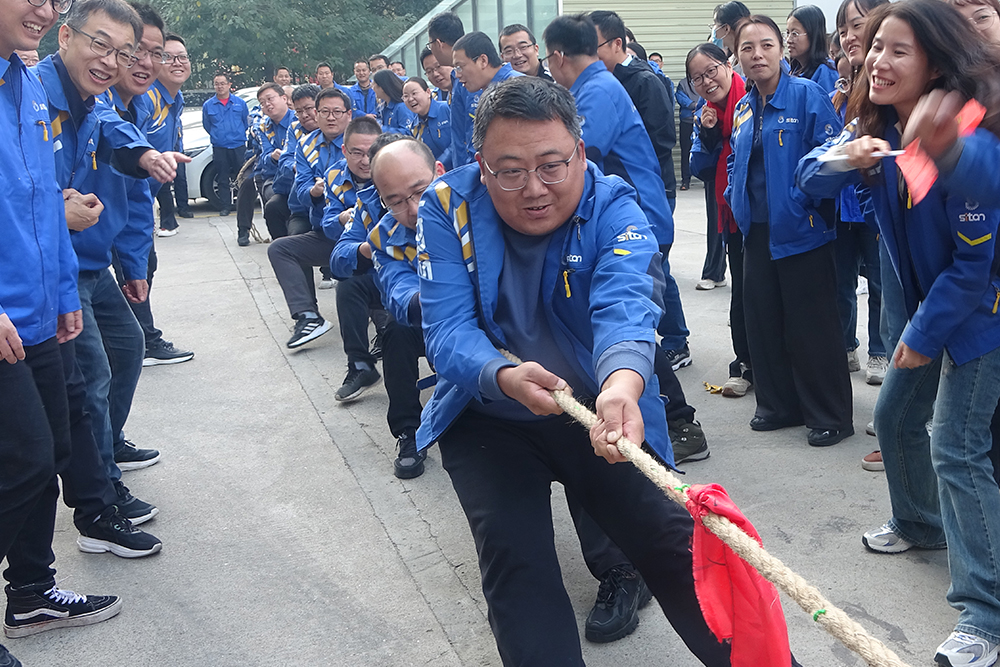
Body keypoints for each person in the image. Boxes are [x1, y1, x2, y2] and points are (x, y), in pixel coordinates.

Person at [414, 75, 748, 666]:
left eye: (551, 165)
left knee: (676, 549)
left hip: (600, 410)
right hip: (489, 412)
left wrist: (623, 381)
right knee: (516, 565)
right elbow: (446, 329)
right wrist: (500, 374)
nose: (534, 188)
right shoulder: (446, 206)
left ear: (580, 153)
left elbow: (626, 303)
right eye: (509, 170)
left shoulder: (613, 204)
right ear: (480, 166)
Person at [0, 0, 126, 655]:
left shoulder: (18, 81)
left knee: (48, 450)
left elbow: (36, 198)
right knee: (20, 461)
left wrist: (58, 293)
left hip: (37, 308)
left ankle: (30, 593)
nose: (43, 9)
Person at [724, 14, 852, 447]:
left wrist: (804, 203)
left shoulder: (807, 95)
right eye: (747, 48)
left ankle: (829, 414)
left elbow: (834, 155)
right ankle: (779, 406)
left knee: (811, 326)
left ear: (782, 50)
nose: (756, 55)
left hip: (802, 230)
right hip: (756, 232)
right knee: (763, 321)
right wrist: (731, 193)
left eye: (766, 45)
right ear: (737, 56)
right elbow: (734, 161)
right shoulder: (744, 105)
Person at [544, 14, 692, 372]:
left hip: (636, 212)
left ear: (559, 56)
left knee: (634, 302)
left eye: (548, 59)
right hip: (633, 208)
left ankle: (663, 368)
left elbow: (579, 153)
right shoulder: (592, 88)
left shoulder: (598, 91)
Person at [363, 136, 441, 477]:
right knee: (395, 329)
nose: (413, 209)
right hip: (432, 320)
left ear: (439, 172)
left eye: (421, 191)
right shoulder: (384, 237)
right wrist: (442, 298)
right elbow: (399, 290)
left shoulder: (479, 205)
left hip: (500, 323)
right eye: (395, 201)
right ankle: (409, 431)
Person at [268, 117, 380, 351]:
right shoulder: (332, 174)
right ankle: (308, 316)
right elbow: (326, 221)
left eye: (371, 152)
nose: (365, 161)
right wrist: (341, 218)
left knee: (357, 277)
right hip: (340, 241)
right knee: (280, 248)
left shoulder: (392, 170)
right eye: (357, 153)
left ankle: (384, 331)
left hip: (382, 246)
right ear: (344, 151)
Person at [688, 43, 752, 398]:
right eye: (697, 78)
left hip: (763, 216)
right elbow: (699, 167)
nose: (706, 81)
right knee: (742, 292)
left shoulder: (753, 97)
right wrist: (710, 135)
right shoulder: (707, 113)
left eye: (711, 70)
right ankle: (744, 364)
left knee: (766, 294)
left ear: (727, 65)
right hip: (732, 218)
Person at [260, 83, 321, 246]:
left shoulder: (333, 128)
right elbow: (286, 159)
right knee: (273, 209)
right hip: (297, 194)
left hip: (327, 198)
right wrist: (298, 167)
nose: (305, 115)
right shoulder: (295, 128)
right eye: (299, 111)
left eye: (309, 108)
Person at [450, 31, 522, 161]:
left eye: (460, 67)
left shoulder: (517, 88)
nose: (457, 75)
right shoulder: (486, 89)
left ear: (483, 60)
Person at [150, 33, 192, 236]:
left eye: (183, 57)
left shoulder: (177, 98)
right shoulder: (146, 98)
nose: (178, 63)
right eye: (168, 57)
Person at [295, 87, 351, 231]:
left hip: (355, 223)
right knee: (280, 248)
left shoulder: (360, 141)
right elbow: (301, 189)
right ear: (316, 114)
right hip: (321, 224)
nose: (331, 118)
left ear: (349, 114)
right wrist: (314, 191)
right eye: (325, 112)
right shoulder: (305, 145)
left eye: (337, 112)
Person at [427, 12, 472, 165]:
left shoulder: (469, 78)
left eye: (430, 45)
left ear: (438, 43)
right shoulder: (456, 77)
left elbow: (470, 134)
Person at [252, 83, 295, 239]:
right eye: (262, 103)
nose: (267, 105)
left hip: (298, 175)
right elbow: (264, 158)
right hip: (275, 178)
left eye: (270, 99)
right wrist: (272, 157)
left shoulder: (298, 120)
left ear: (284, 98)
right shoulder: (263, 127)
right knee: (273, 205)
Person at [202, 71, 248, 215]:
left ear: (229, 85)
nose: (220, 87)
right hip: (220, 146)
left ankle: (243, 204)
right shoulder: (208, 105)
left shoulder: (239, 103)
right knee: (222, 177)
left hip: (238, 145)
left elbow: (245, 122)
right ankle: (225, 206)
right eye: (217, 84)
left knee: (241, 177)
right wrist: (218, 136)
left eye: (223, 84)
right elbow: (207, 125)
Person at [786, 5, 839, 93]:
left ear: (813, 35)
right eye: (788, 33)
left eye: (795, 33)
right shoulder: (794, 71)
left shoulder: (827, 72)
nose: (788, 40)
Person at [402, 77, 452, 168]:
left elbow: (459, 139)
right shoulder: (414, 127)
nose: (410, 99)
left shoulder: (446, 109)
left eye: (414, 93)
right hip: (438, 174)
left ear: (428, 92)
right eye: (405, 96)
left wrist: (440, 162)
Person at [372, 69, 416, 134]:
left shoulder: (402, 107)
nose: (372, 88)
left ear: (382, 87)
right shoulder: (385, 106)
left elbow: (408, 132)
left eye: (374, 85)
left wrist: (381, 129)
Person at [676, 73, 699, 193]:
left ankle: (706, 179)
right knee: (686, 151)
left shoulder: (705, 80)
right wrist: (694, 105)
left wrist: (700, 107)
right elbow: (680, 97)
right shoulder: (683, 83)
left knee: (704, 149)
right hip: (686, 121)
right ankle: (685, 180)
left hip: (701, 121)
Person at [713, 0, 750, 72]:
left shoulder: (750, 60)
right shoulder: (732, 60)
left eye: (715, 23)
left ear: (726, 29)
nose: (713, 29)